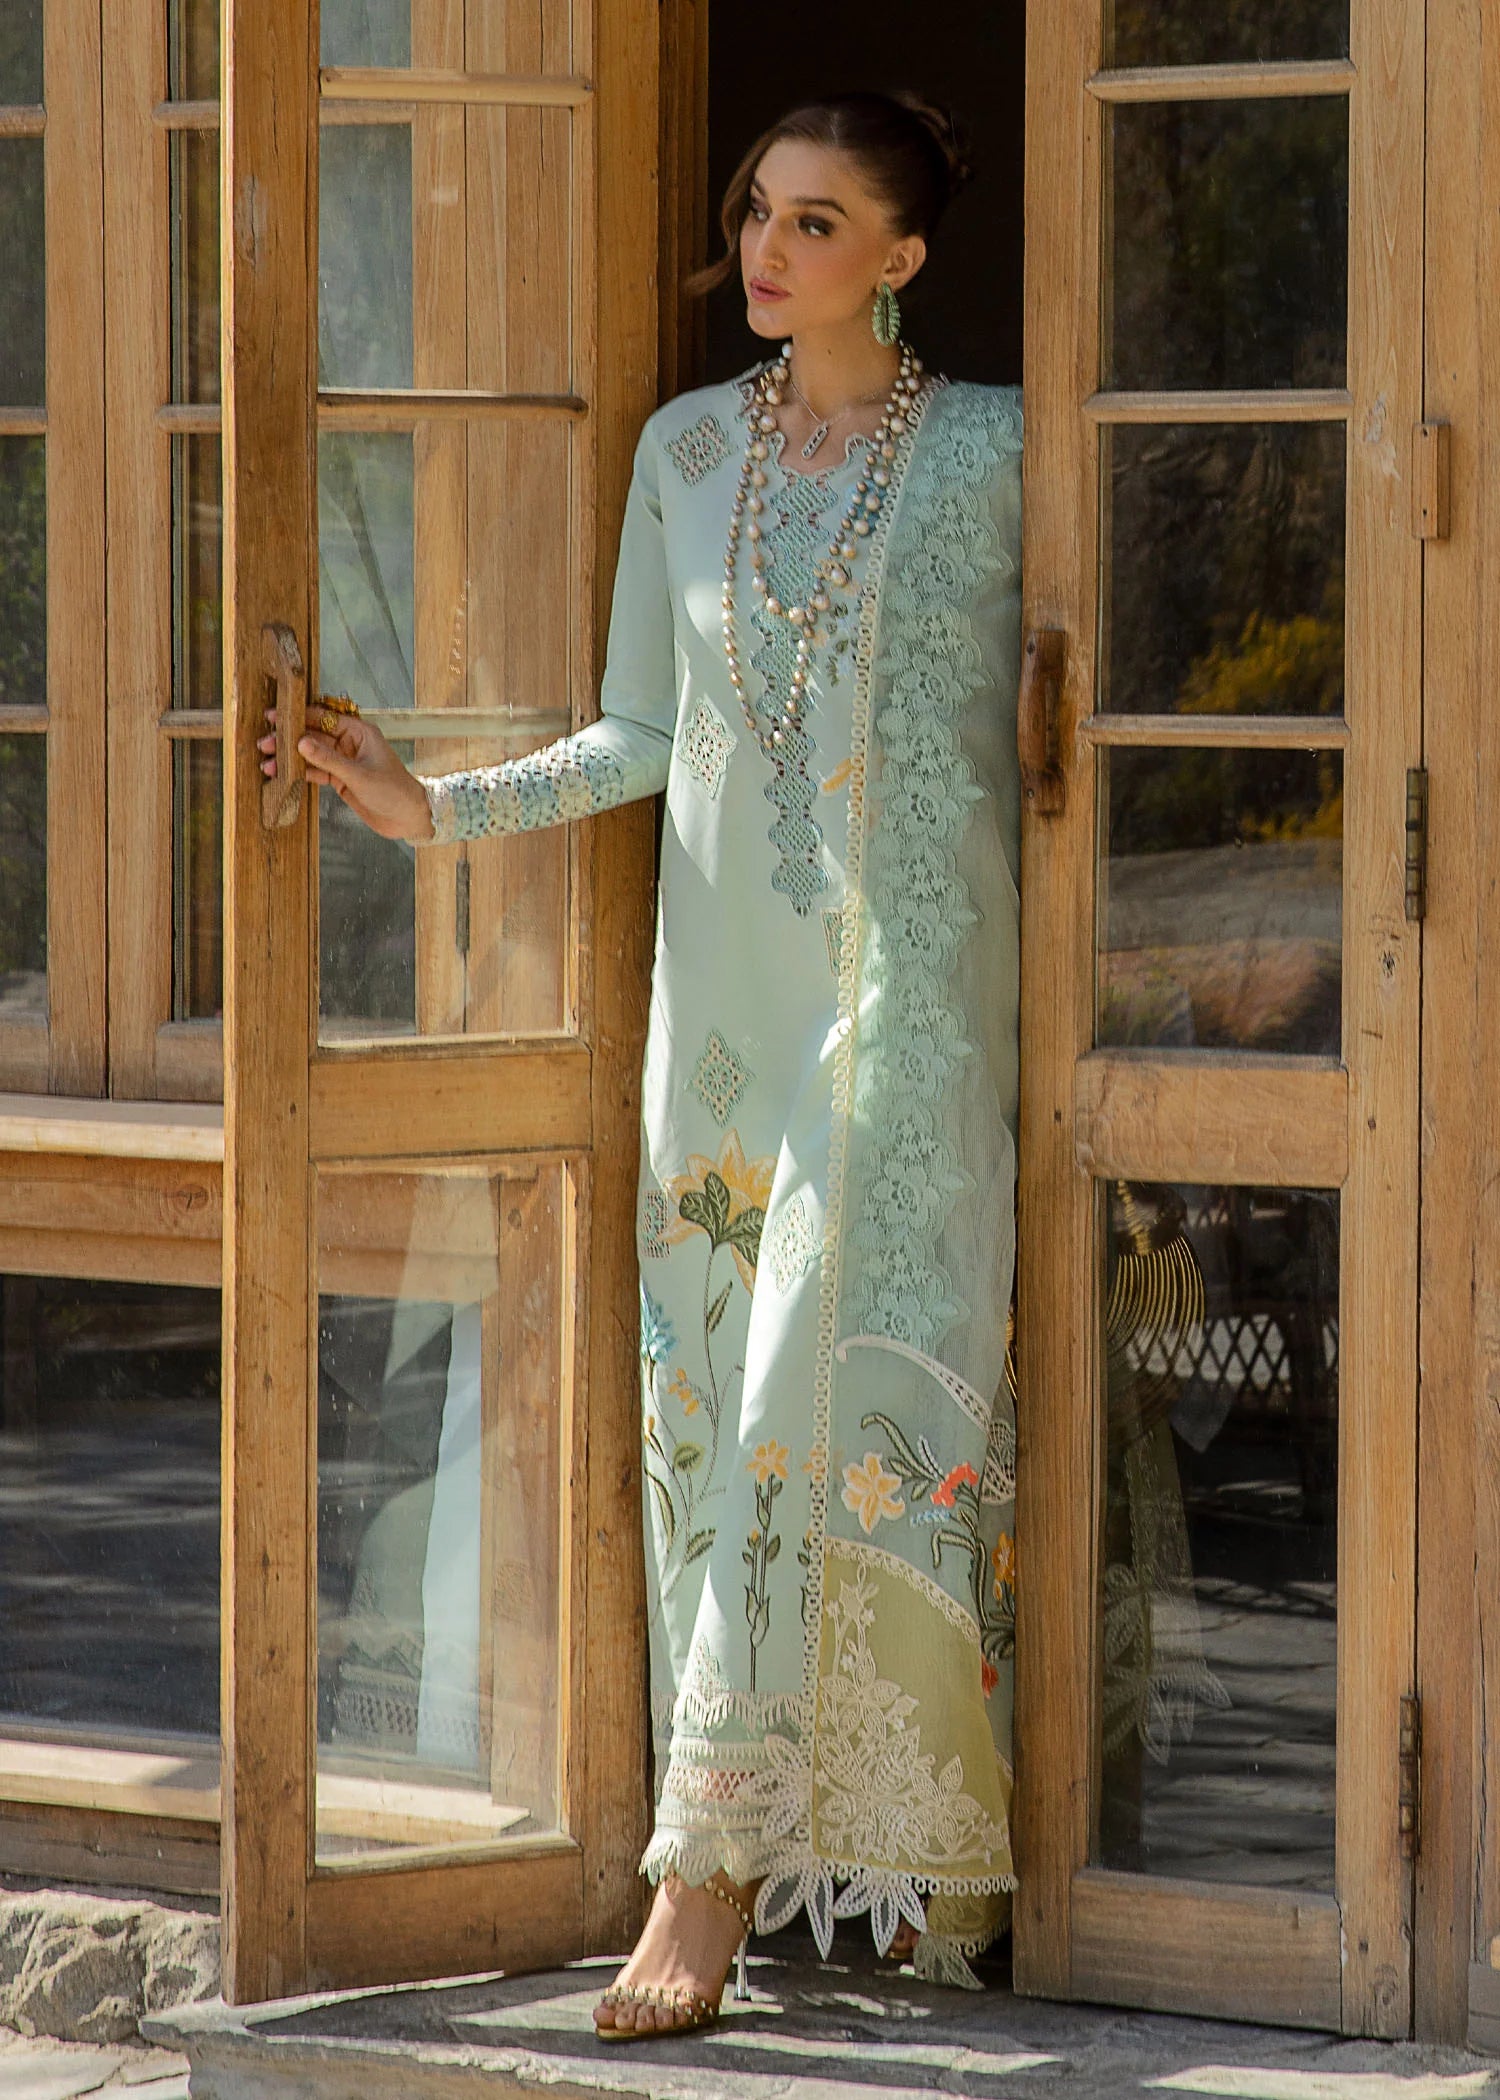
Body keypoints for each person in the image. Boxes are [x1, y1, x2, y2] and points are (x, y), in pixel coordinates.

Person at [262, 88, 1022, 2043]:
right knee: (729, 1428)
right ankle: (896, 1880)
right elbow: (641, 737)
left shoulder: (1004, 454)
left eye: (820, 222)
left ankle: (715, 1880)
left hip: (915, 1014)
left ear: (904, 257)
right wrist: (433, 808)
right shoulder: (685, 452)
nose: (769, 248)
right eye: (761, 210)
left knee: (832, 1411)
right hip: (728, 1038)